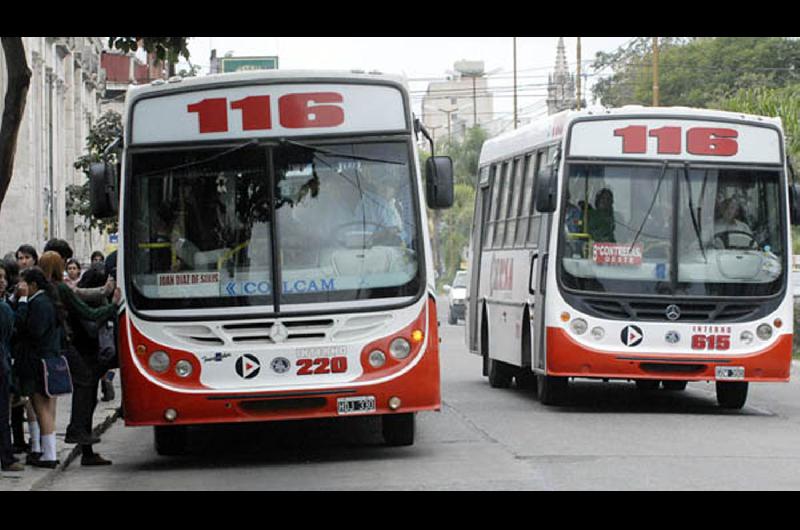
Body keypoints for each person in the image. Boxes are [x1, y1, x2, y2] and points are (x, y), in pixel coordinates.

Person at [38, 252, 120, 466]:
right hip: (72, 346)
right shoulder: (61, 288)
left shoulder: (44, 288)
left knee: (83, 391)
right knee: (85, 382)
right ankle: (76, 431)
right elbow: (86, 312)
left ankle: (84, 448)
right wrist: (113, 305)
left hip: (57, 346)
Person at [13, 267, 62, 468]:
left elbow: (32, 330)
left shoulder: (39, 303)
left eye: (23, 283)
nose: (19, 286)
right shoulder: (45, 301)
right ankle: (46, 451)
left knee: (41, 408)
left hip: (38, 362)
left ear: (33, 285)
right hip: (46, 360)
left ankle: (49, 454)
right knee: (45, 409)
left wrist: (22, 301)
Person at [0, 263, 24, 471]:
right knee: (2, 414)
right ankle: (7, 458)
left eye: (3, 278)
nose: (1, 282)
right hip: (2, 365)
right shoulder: (4, 308)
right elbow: (13, 330)